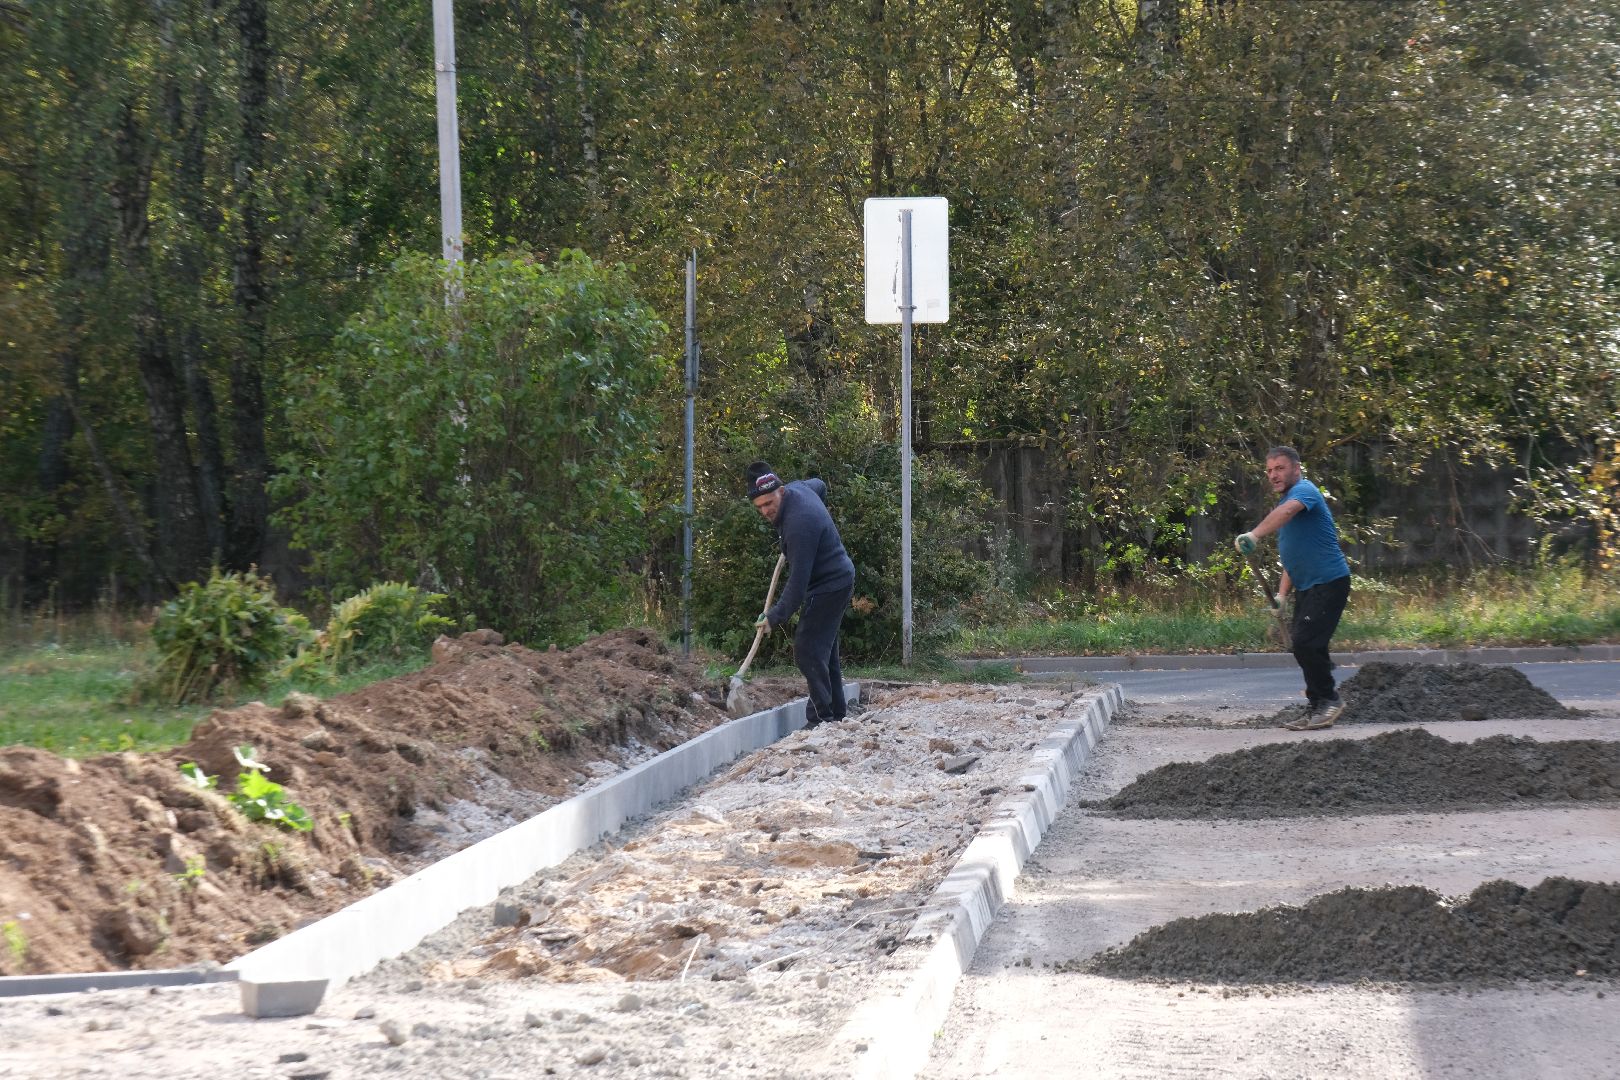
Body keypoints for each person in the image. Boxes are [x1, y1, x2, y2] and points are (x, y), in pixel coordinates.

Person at [1235, 445, 1352, 731]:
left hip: (1329, 581)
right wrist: (1282, 595)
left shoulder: (1304, 492)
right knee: (1306, 646)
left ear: (1296, 469)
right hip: (1308, 586)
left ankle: (1330, 700)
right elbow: (1293, 557)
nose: (1273, 475)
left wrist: (1254, 534)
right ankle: (1317, 706)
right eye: (1269, 470)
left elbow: (1287, 511)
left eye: (1280, 468)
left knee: (1305, 642)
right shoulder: (1284, 504)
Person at [744, 461, 856, 729]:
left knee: (807, 651)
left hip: (829, 584)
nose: (766, 510)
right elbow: (820, 486)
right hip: (837, 577)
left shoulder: (799, 527)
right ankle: (836, 714)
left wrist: (774, 616)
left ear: (781, 491)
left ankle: (820, 719)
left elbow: (797, 584)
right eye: (759, 506)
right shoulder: (800, 490)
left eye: (769, 503)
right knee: (824, 653)